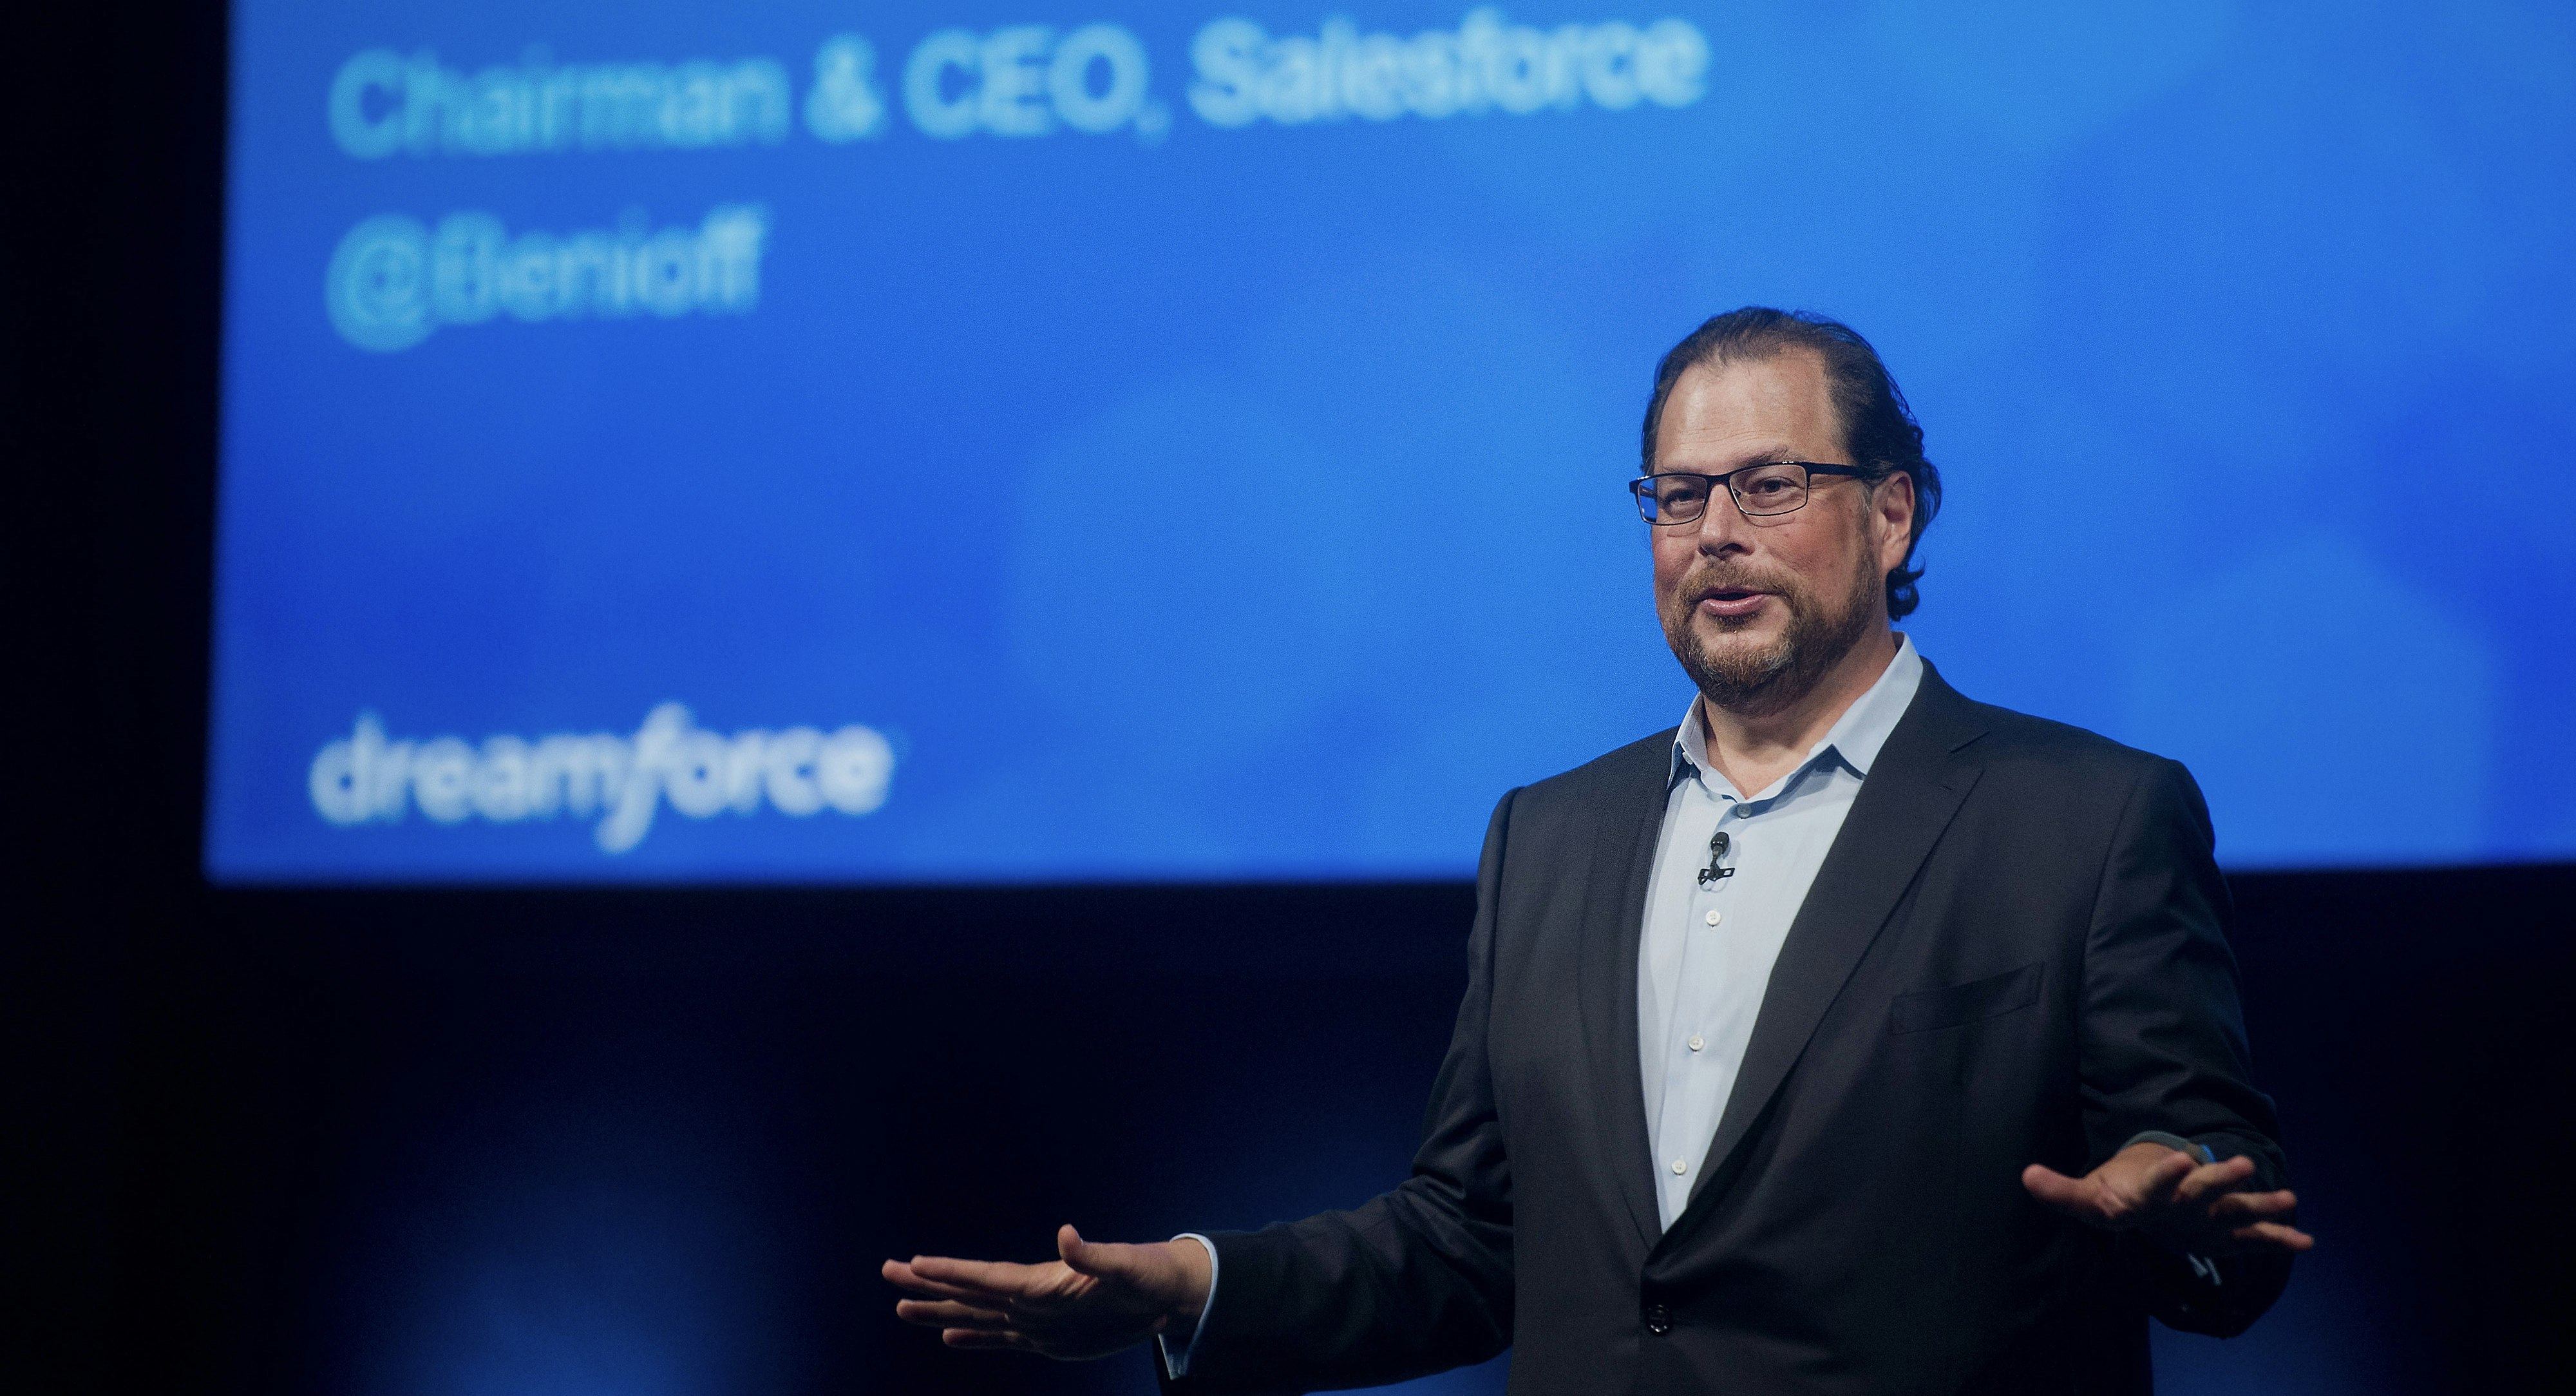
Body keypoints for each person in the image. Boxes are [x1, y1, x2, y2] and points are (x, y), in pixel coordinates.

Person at [883, 308, 2311, 1393]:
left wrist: (2179, 1212)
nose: (1712, 536)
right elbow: (1464, 1241)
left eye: (1767, 485)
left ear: (1889, 515)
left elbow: (2201, 1187)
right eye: (1677, 496)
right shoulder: (1548, 835)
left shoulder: (2084, 815)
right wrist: (1189, 1288)